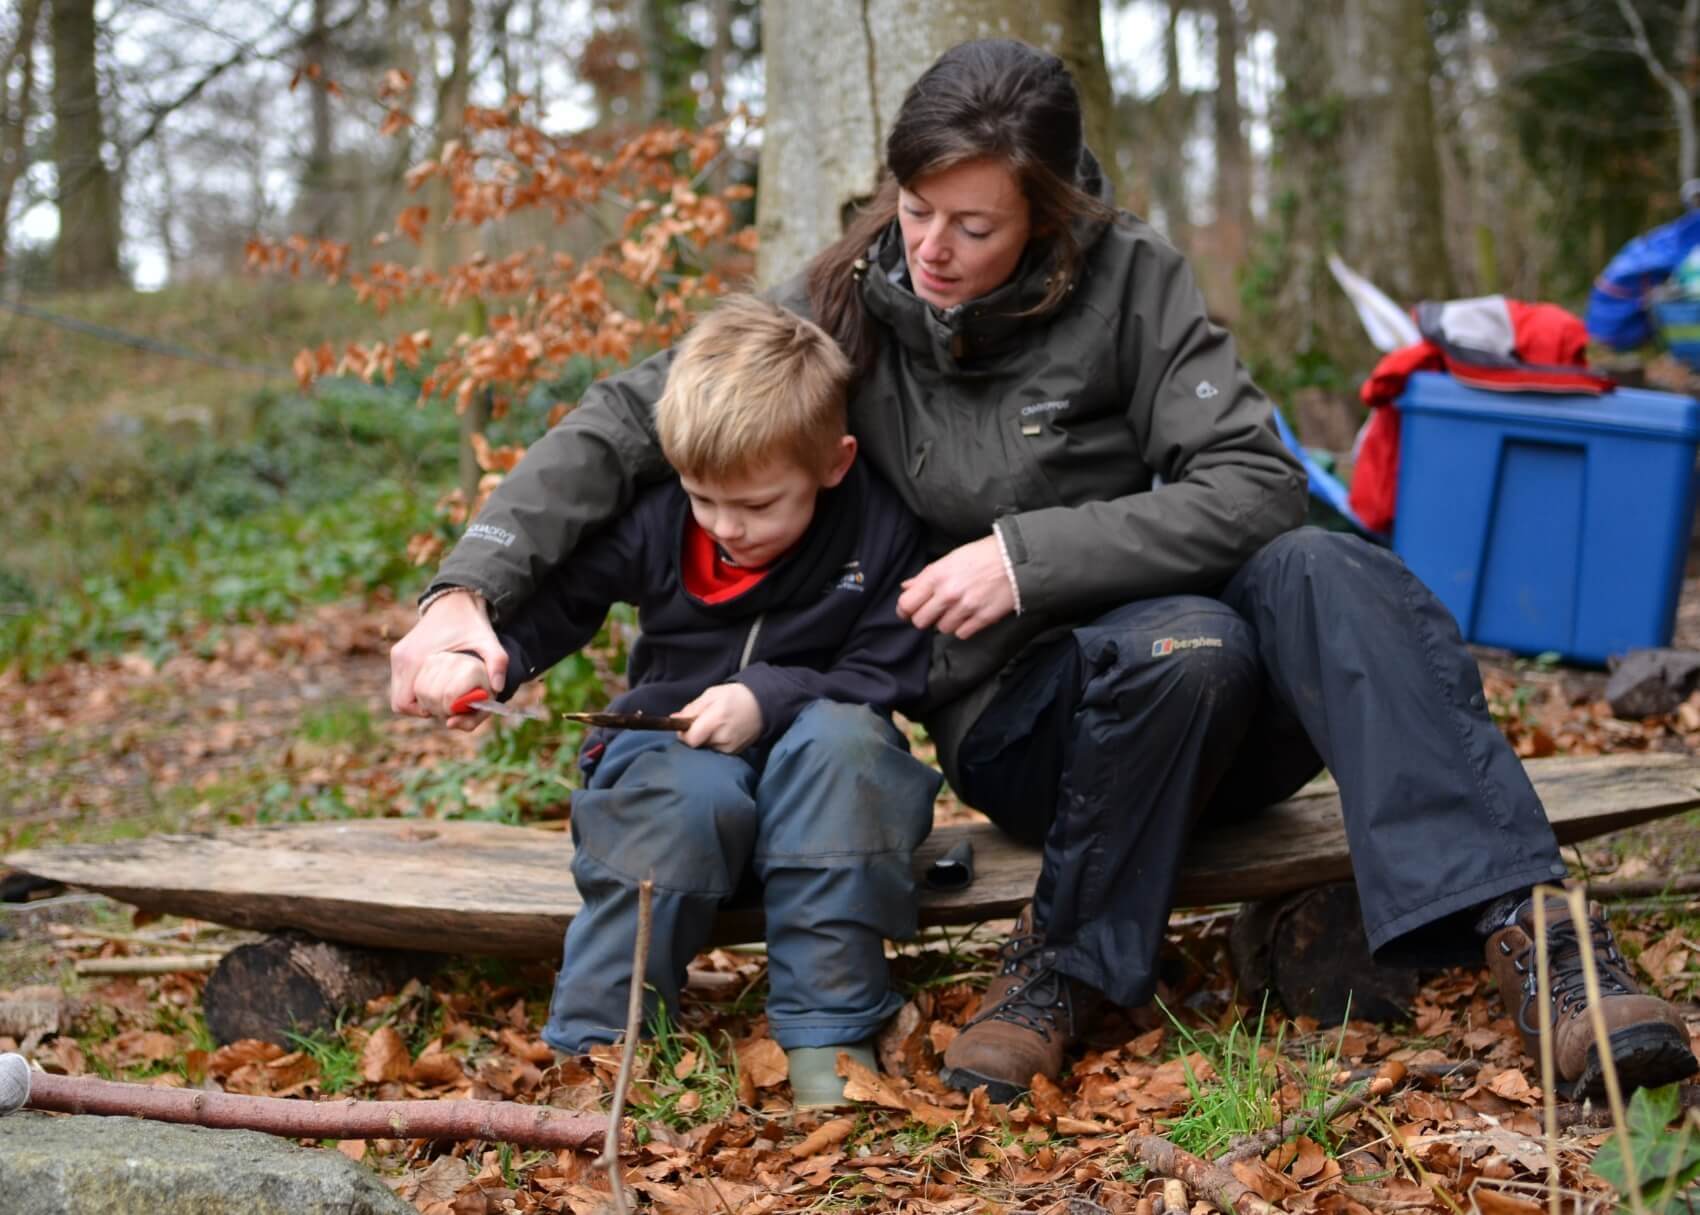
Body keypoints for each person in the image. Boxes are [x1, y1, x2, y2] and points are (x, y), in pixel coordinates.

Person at [394, 39, 1698, 1103]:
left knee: (1325, 569)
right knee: (1192, 640)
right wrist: (471, 591)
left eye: (975, 224)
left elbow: (1252, 481)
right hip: (1033, 722)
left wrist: (1025, 553)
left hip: (1218, 702)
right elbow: (638, 418)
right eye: (916, 212)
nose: (935, 249)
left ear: (1054, 213)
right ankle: (1063, 972)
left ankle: (1547, 944)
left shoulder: (1137, 286)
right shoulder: (853, 295)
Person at [408, 295, 941, 1108]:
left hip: (822, 764)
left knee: (848, 749)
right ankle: (600, 1045)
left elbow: (888, 667)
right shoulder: (665, 518)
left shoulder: (879, 523)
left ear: (833, 463)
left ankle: (828, 1034)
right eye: (704, 498)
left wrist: (765, 695)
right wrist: (494, 659)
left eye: (758, 505)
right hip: (675, 741)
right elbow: (567, 598)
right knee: (676, 798)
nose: (727, 526)